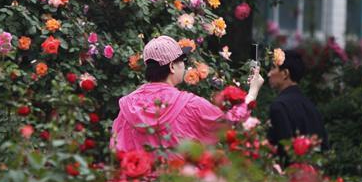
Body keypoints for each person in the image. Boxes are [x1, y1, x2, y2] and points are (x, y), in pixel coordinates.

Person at [110, 35, 264, 153]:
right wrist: (253, 92)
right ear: (171, 66)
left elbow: (116, 152)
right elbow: (230, 124)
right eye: (182, 60)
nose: (184, 66)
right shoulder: (190, 104)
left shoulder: (127, 107)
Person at [267, 49, 329, 154]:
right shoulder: (311, 106)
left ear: (285, 73)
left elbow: (284, 150)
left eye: (273, 68)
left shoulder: (279, 106)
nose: (269, 74)